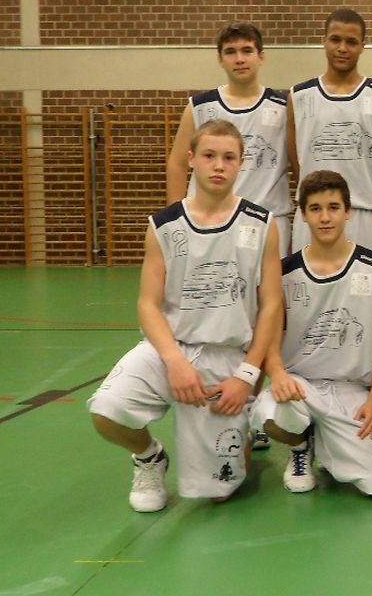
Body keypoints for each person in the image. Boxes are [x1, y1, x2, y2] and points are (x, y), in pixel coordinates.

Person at [89, 119, 283, 512]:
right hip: (170, 349)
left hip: (226, 357)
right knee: (106, 409)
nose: (218, 165)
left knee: (218, 491)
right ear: (191, 159)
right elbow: (148, 304)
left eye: (228, 157)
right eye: (209, 155)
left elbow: (272, 306)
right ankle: (149, 457)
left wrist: (247, 377)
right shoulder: (163, 225)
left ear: (241, 163)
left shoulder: (262, 224)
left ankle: (241, 429)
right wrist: (174, 361)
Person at [253, 170, 372, 496]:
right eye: (315, 209)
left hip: (352, 390)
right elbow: (268, 336)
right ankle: (300, 446)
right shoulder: (284, 272)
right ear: (303, 215)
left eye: (333, 207)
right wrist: (277, 374)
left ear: (348, 211)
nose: (325, 217)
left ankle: (330, 440)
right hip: (301, 386)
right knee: (269, 412)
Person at [167, 21, 293, 257]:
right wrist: (176, 218)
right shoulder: (199, 107)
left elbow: (298, 162)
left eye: (247, 51)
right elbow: (178, 163)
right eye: (231, 52)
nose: (239, 59)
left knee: (271, 283)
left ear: (261, 56)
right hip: (208, 222)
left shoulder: (284, 107)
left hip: (267, 220)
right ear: (220, 59)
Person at [288, 9, 372, 254]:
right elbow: (296, 163)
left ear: (363, 45)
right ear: (324, 41)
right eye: (335, 40)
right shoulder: (299, 97)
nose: (342, 48)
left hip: (365, 214)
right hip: (313, 214)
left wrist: (367, 194)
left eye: (351, 42)